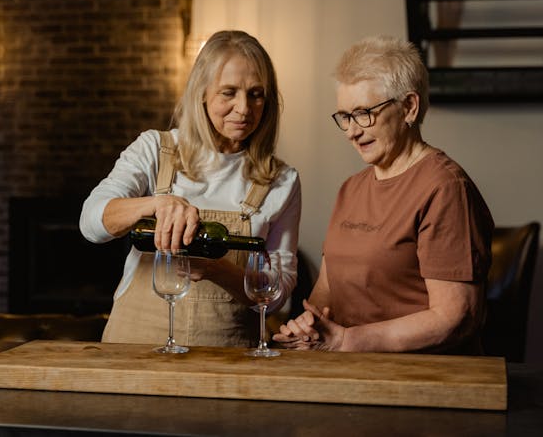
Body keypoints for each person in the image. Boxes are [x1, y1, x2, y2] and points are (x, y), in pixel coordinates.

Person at [273, 35, 493, 354]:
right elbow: (328, 288)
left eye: (364, 113)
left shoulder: (444, 187)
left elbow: (455, 317)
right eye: (345, 117)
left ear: (409, 107)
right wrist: (308, 326)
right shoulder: (351, 188)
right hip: (352, 372)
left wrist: (349, 340)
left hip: (422, 378)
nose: (352, 130)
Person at [80, 30, 301, 347]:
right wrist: (157, 204)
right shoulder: (156, 149)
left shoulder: (281, 180)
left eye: (256, 94)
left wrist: (215, 269)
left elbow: (278, 293)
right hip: (134, 346)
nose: (244, 108)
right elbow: (90, 223)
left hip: (228, 355)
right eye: (228, 92)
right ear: (202, 92)